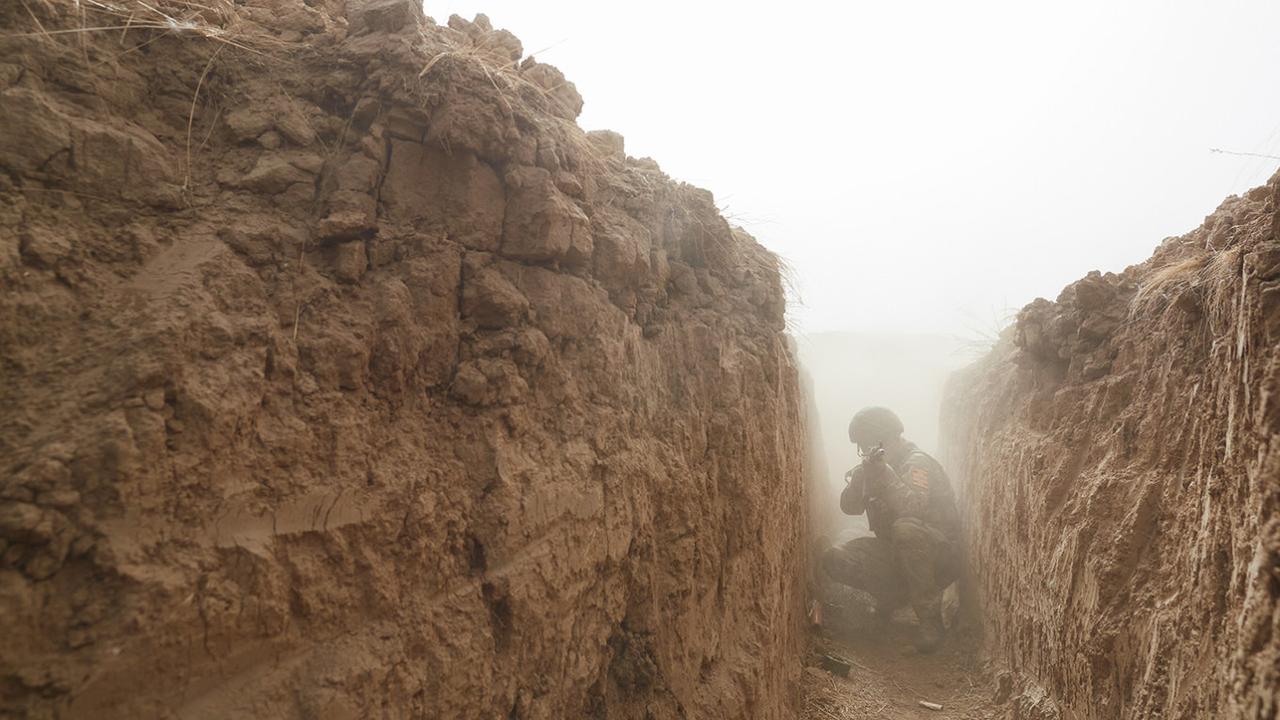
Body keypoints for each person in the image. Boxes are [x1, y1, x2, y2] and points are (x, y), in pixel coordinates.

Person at [821, 406, 962, 653]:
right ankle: (892, 600)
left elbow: (913, 507)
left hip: (939, 559)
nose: (866, 451)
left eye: (869, 444)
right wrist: (861, 479)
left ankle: (930, 623)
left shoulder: (917, 463)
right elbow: (849, 507)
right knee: (837, 558)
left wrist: (884, 474)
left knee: (905, 528)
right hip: (901, 558)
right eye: (862, 447)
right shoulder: (876, 467)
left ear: (888, 438)